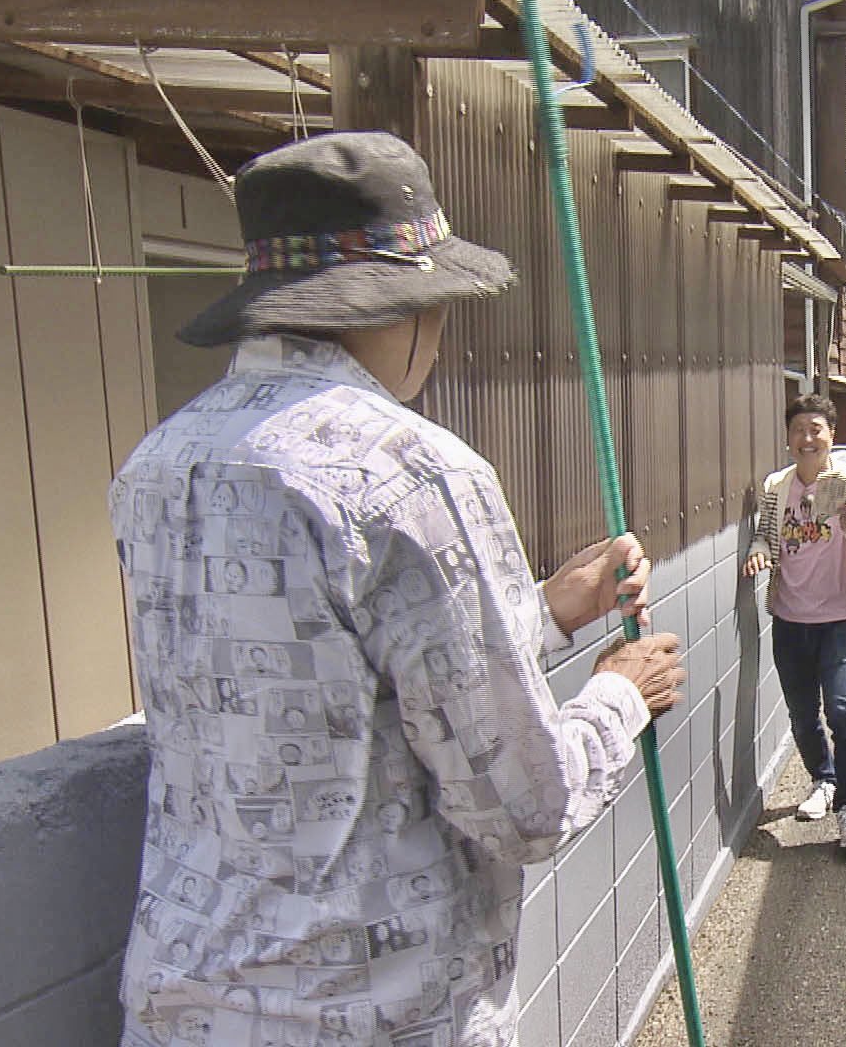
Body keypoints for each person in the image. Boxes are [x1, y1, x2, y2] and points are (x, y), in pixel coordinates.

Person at [110, 132, 686, 1047]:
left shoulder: (157, 463)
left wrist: (539, 612)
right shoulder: (412, 473)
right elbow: (522, 805)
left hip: (183, 1006)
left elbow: (332, 682)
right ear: (401, 308)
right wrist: (619, 698)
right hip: (376, 1014)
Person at [741, 394, 846, 850]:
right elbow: (764, 535)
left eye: (816, 429)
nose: (807, 438)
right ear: (788, 438)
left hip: (839, 619)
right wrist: (758, 551)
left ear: (831, 436)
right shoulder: (777, 486)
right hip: (789, 618)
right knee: (802, 715)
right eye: (798, 430)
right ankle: (823, 780)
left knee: (844, 710)